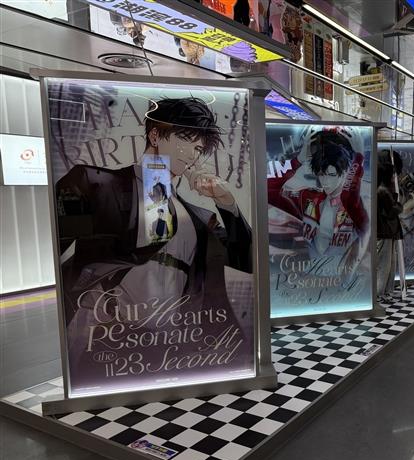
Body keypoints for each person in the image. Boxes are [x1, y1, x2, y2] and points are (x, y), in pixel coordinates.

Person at [56, 97, 254, 382]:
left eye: (199, 148)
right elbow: (59, 247)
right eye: (186, 139)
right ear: (155, 135)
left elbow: (245, 257)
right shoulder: (96, 184)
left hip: (175, 340)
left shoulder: (198, 218)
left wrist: (227, 203)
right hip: (104, 333)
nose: (193, 154)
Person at [267, 127, 369, 278]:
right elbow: (268, 190)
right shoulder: (308, 197)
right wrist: (298, 161)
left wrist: (358, 158)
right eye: (321, 174)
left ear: (346, 172)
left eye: (332, 175)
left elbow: (350, 198)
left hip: (344, 283)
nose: (325, 181)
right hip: (307, 280)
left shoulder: (356, 204)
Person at [375, 152, 403, 302]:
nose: (394, 177)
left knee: (389, 263)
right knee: (385, 264)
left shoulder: (383, 190)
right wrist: (398, 205)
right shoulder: (383, 191)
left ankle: (385, 291)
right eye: (392, 174)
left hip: (387, 232)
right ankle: (381, 292)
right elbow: (392, 211)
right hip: (384, 232)